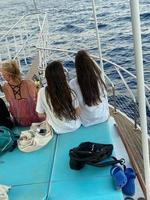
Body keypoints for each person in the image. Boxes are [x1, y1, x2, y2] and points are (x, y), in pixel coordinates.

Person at [36, 61, 81, 134]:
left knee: (38, 130)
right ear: (62, 75)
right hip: (75, 127)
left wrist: (50, 115)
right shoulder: (70, 91)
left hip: (57, 130)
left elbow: (40, 114)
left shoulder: (42, 92)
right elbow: (78, 112)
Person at [69, 50, 109, 127]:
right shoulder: (99, 78)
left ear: (77, 67)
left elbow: (74, 104)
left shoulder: (72, 83)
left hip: (86, 121)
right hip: (103, 117)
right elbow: (104, 95)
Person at [0, 59, 41, 126]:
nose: (2, 76)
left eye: (2, 74)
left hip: (19, 121)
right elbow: (37, 98)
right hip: (35, 119)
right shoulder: (29, 83)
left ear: (8, 75)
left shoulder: (5, 88)